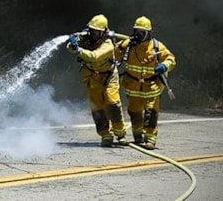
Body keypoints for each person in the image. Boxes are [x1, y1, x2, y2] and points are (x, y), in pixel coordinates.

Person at [67, 14, 128, 147]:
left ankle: (120, 134)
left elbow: (94, 56)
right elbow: (70, 48)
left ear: (103, 31)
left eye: (96, 31)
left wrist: (78, 49)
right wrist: (74, 42)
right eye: (92, 30)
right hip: (91, 77)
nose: (93, 33)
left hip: (108, 77)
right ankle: (106, 135)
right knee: (97, 108)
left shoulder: (108, 45)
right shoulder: (87, 39)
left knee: (112, 103)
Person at [115, 16, 176, 150]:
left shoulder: (156, 46)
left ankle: (150, 139)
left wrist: (165, 65)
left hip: (151, 87)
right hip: (133, 86)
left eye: (141, 32)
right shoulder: (128, 45)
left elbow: (170, 58)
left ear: (148, 33)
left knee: (151, 113)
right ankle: (138, 135)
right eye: (136, 31)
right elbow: (113, 53)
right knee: (134, 112)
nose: (138, 35)